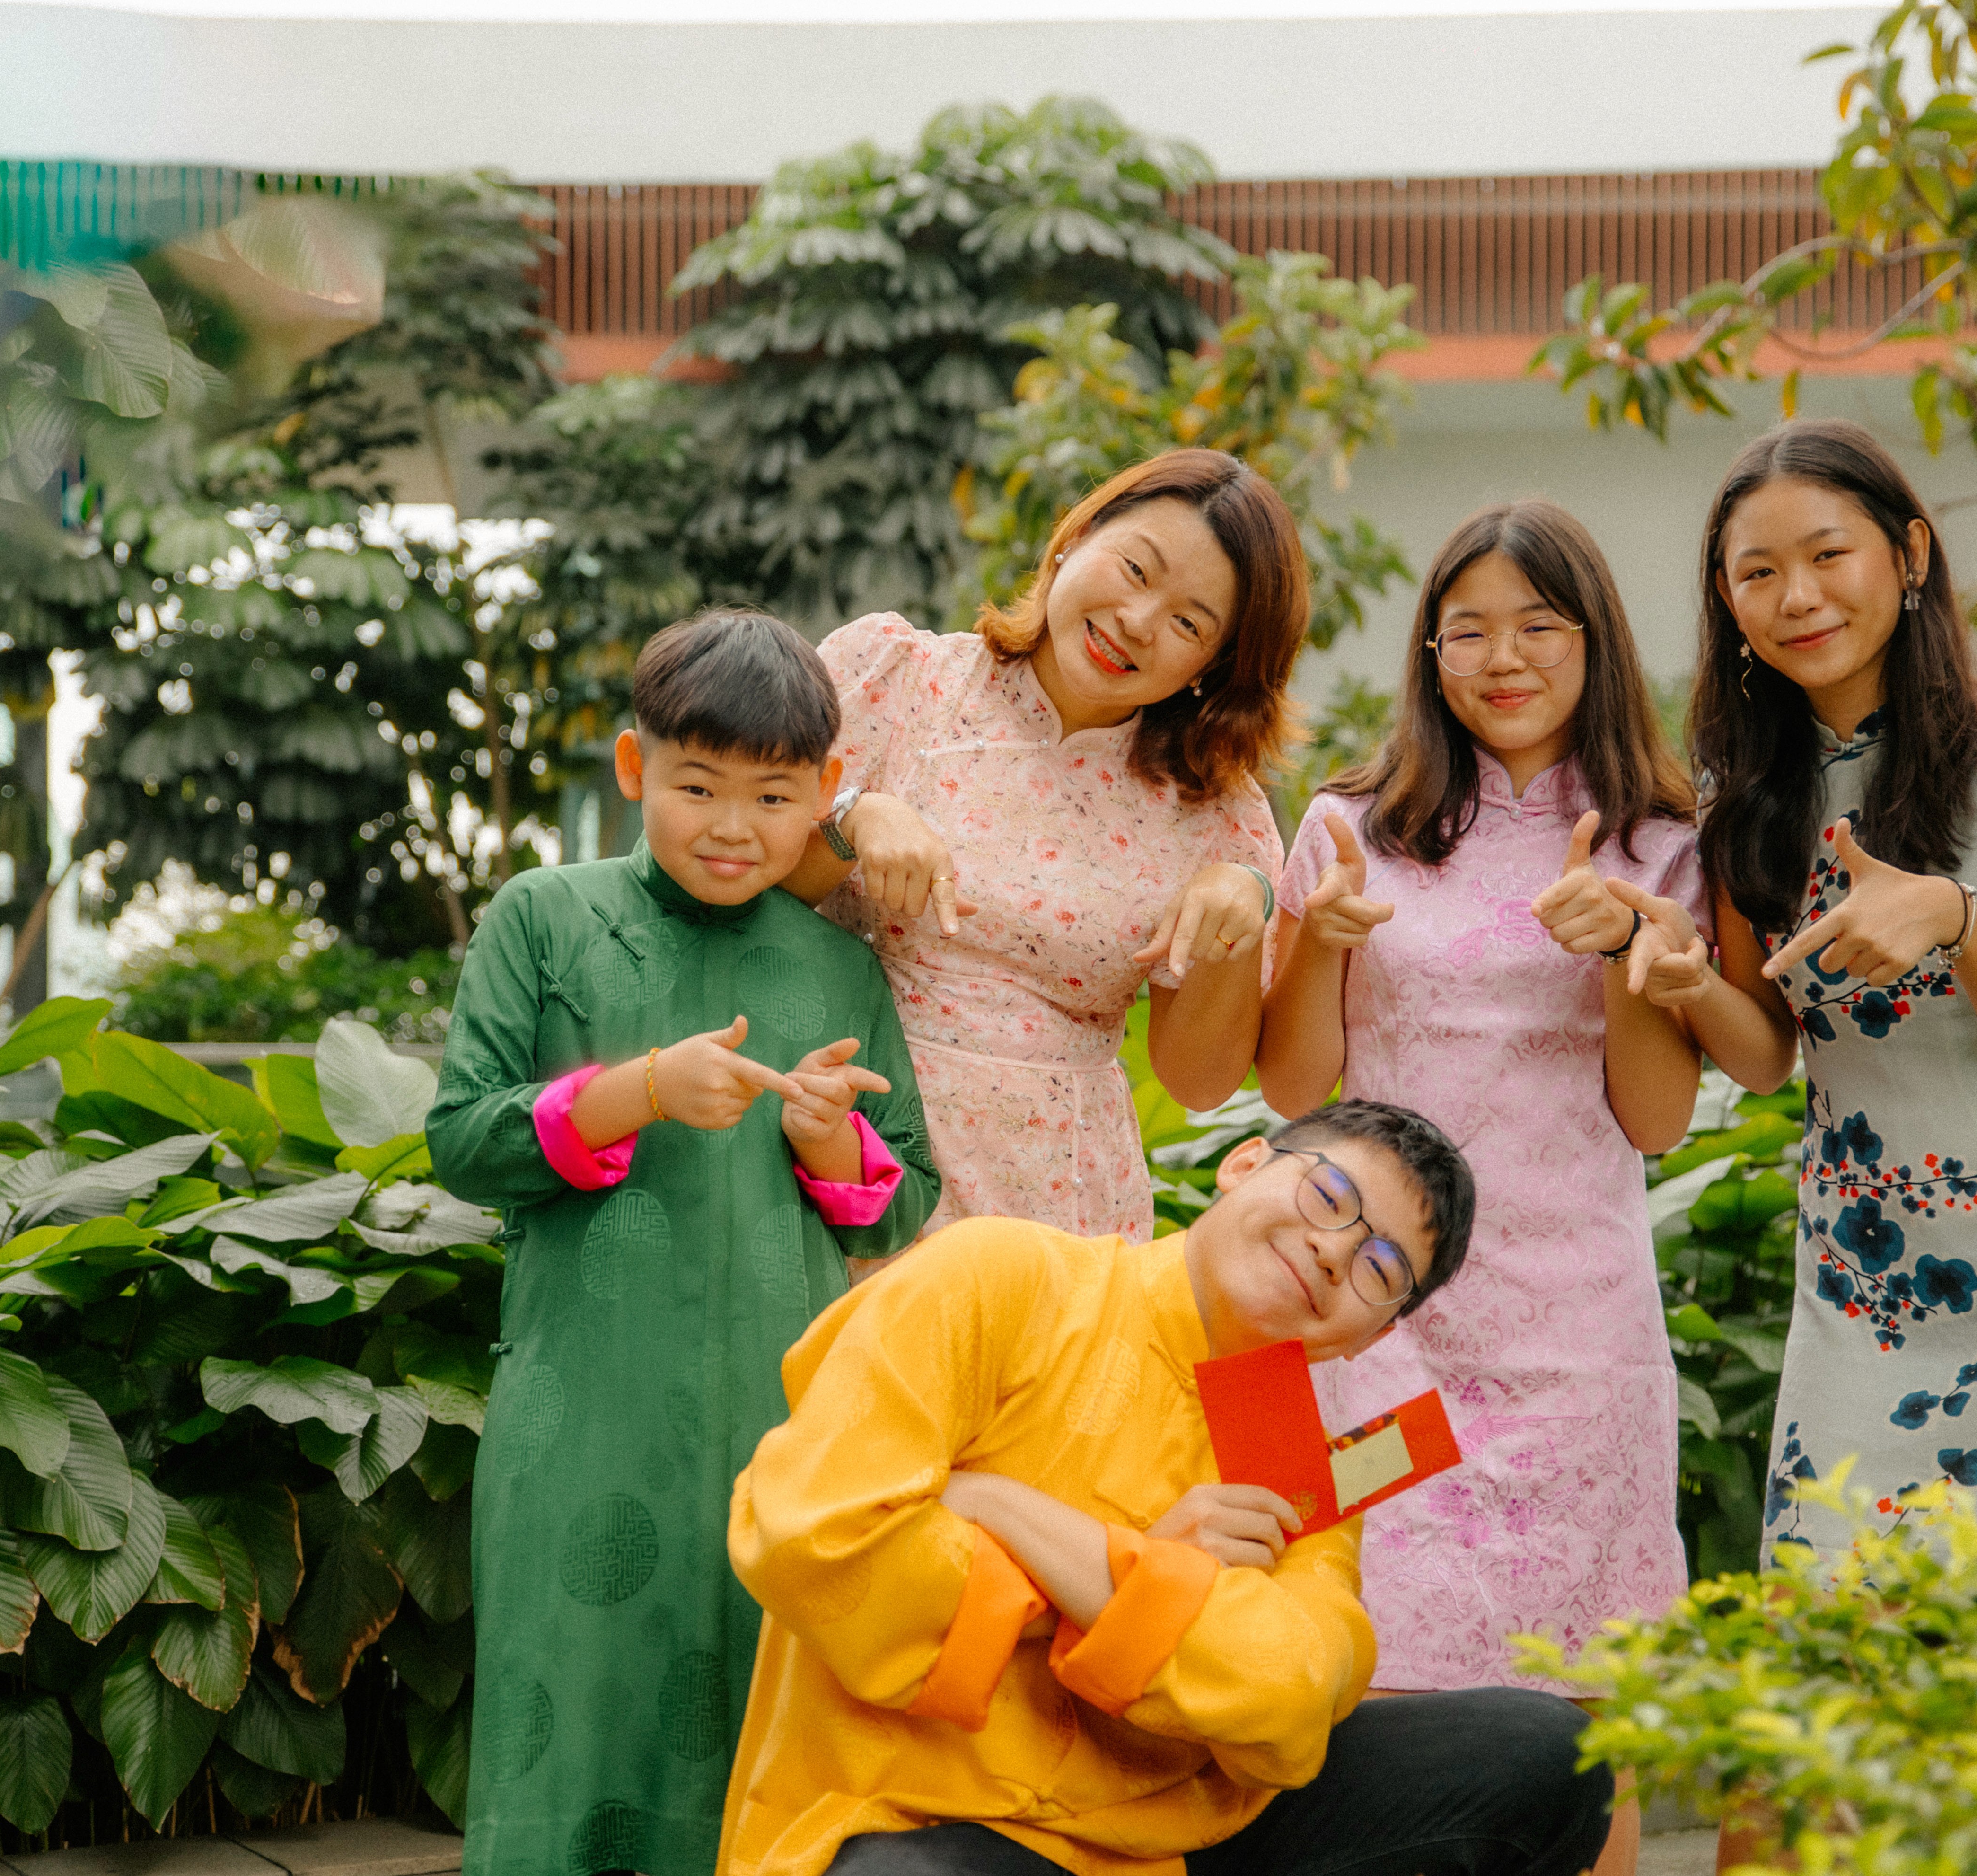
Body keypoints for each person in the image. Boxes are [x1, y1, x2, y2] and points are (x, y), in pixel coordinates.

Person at [717, 1098, 1615, 1876]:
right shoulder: (1001, 1276)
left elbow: (1293, 1690)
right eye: (1329, 1196)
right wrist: (1151, 1580)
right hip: (916, 1813)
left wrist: (1007, 1510)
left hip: (1179, 1844)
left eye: (1382, 1268)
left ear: (1369, 1338)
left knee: (1551, 1753)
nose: (1336, 1253)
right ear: (1244, 1162)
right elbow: (813, 1535)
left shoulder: (1296, 1459)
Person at [1615, 418, 1977, 1562]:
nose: (1797, 596)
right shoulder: (1742, 794)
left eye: (1830, 555)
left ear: (1908, 557)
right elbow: (1767, 1051)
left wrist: (1952, 918)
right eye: (1757, 574)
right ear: (1727, 605)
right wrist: (1683, 980)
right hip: (1866, 1274)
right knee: (1831, 1614)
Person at [429, 609, 941, 1876]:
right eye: (697, 783)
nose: (732, 825)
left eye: (773, 795)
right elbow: (460, 1140)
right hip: (581, 1406)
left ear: (826, 795)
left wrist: (828, 1140)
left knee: (750, 1727)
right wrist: (637, 1089)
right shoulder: (541, 916)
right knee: (572, 1709)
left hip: (780, 1419)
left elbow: (907, 1190)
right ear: (631, 765)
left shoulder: (839, 963)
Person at [1254, 502, 1698, 1876]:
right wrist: (1319, 942)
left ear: (1593, 642)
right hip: (1366, 1330)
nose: (1500, 658)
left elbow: (1660, 1116)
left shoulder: (1665, 839)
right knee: (1359, 1676)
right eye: (1468, 630)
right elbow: (1288, 1089)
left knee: (1583, 1708)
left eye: (1536, 626)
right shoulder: (1346, 823)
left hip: (1575, 1338)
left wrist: (1626, 948)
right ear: (1428, 649)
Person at [782, 448, 1307, 1245]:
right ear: (1076, 538)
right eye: (1135, 569)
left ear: (1215, 667)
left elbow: (1198, 1081)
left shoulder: (1218, 817)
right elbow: (734, 887)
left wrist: (1241, 916)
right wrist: (851, 819)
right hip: (843, 1155)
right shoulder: (900, 679)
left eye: (1189, 622)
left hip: (1058, 1201)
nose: (1138, 621)